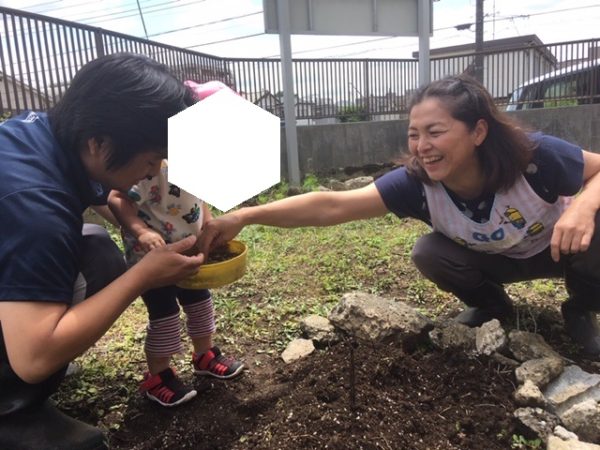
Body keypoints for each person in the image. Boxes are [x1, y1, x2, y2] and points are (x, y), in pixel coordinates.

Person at [196, 74, 600, 358]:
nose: (422, 146)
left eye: (435, 132)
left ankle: (581, 306)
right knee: (428, 251)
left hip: (563, 251)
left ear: (478, 132)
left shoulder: (534, 156)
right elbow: (332, 205)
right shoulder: (416, 185)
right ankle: (494, 307)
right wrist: (246, 216)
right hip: (500, 262)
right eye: (414, 133)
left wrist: (582, 205)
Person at [0, 53, 204, 450]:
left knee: (95, 248)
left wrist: (145, 230)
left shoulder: (45, 135)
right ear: (99, 142)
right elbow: (34, 359)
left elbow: (102, 203)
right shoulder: (35, 208)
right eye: (149, 160)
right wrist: (143, 275)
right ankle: (10, 409)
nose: (153, 172)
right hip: (29, 351)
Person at [108, 81, 243, 408]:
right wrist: (140, 230)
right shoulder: (152, 163)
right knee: (165, 315)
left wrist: (208, 225)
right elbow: (116, 198)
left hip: (192, 251)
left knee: (200, 304)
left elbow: (200, 199)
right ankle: (158, 376)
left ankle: (204, 356)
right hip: (153, 259)